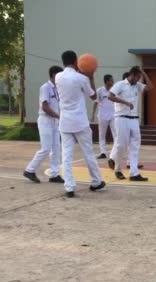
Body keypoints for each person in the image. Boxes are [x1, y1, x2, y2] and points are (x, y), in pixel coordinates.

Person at [55, 50, 105, 198]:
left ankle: (69, 187)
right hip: (80, 122)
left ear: (63, 62)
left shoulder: (58, 77)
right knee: (88, 153)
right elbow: (94, 97)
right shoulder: (81, 78)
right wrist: (91, 77)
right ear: (76, 62)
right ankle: (96, 181)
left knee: (66, 155)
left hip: (65, 122)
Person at [107, 66, 153, 181]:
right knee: (121, 145)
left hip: (134, 119)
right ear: (131, 74)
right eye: (137, 77)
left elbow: (150, 87)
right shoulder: (120, 84)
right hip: (121, 118)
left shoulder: (137, 85)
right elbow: (110, 96)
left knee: (135, 145)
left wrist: (143, 72)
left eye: (139, 78)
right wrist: (125, 102)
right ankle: (117, 169)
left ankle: (134, 173)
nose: (138, 80)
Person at [23, 66, 65, 184]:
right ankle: (29, 170)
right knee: (46, 148)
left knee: (56, 148)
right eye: (59, 75)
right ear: (53, 75)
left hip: (55, 122)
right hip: (45, 120)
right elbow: (45, 107)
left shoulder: (58, 89)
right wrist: (59, 116)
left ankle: (54, 174)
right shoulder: (45, 88)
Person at [93, 74, 116, 159]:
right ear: (106, 81)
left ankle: (115, 152)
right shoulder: (100, 91)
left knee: (115, 134)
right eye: (111, 80)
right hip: (102, 116)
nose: (113, 82)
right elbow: (95, 102)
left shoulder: (114, 91)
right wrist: (93, 115)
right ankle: (103, 152)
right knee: (102, 135)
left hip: (113, 115)